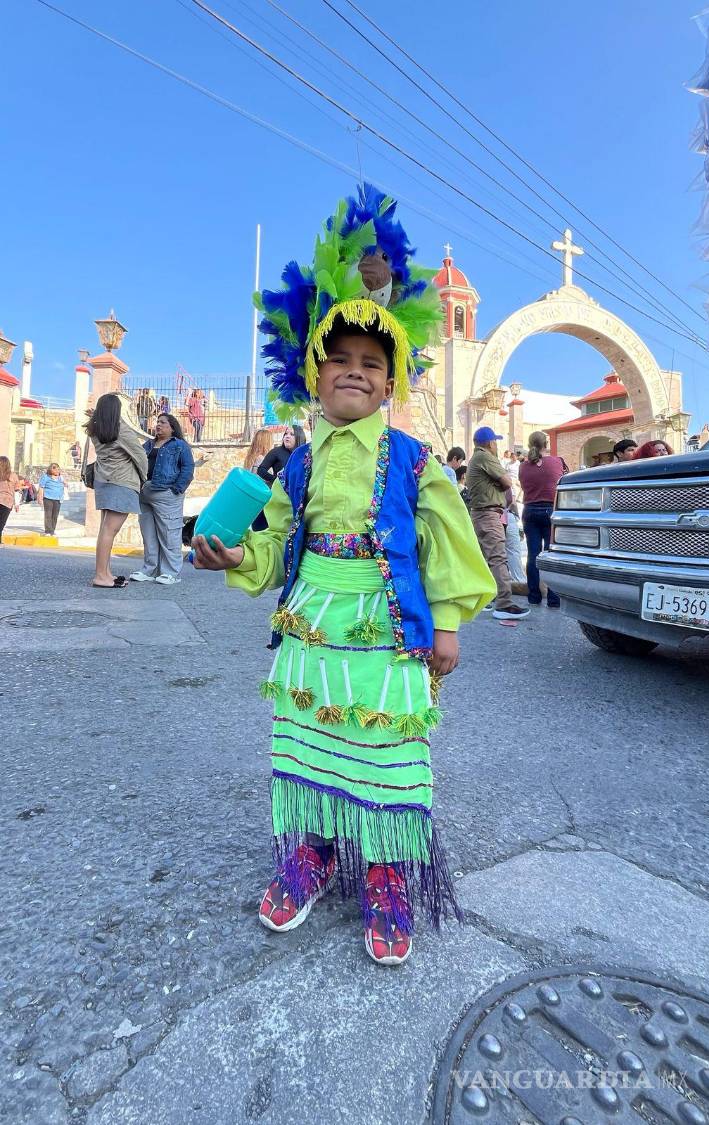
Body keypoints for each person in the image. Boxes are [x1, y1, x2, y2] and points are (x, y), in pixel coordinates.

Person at [191, 183, 495, 965]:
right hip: (312, 627)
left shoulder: (414, 459)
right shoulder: (296, 466)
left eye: (372, 363)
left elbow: (447, 540)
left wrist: (449, 624)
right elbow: (275, 545)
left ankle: (389, 868)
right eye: (341, 361)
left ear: (390, 384)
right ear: (314, 377)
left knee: (390, 755)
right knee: (313, 739)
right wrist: (236, 555)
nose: (355, 372)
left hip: (385, 634)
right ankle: (318, 850)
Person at [465, 426, 530, 620]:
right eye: (495, 442)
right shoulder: (485, 457)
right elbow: (508, 482)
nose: (496, 445)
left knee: (485, 559)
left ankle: (485, 599)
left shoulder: (476, 458)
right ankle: (504, 604)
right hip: (488, 514)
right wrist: (501, 482)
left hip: (481, 514)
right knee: (498, 558)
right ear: (490, 443)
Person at [86, 393, 148, 589]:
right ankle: (101, 576)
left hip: (103, 482)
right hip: (121, 483)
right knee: (109, 532)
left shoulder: (95, 429)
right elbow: (140, 456)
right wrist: (143, 479)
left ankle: (105, 573)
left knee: (105, 531)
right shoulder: (120, 429)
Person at [130, 413, 194, 586]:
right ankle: (149, 570)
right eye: (157, 422)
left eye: (163, 422)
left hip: (167, 494)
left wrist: (177, 489)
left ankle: (171, 572)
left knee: (169, 533)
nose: (158, 425)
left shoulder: (180, 445)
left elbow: (188, 468)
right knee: (148, 534)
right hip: (145, 493)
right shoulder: (149, 444)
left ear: (172, 427)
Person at [518, 431, 566, 607]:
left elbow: (523, 485)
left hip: (529, 510)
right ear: (546, 443)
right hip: (551, 510)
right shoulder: (557, 461)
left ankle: (534, 596)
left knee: (533, 555)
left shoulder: (523, 466)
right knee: (551, 554)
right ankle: (553, 599)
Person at [254, 425, 308, 533]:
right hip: (278, 499)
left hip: (298, 500)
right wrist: (278, 481)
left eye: (291, 434)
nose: (287, 437)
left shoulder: (305, 454)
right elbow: (261, 470)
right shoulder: (277, 452)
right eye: (286, 434)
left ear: (299, 437)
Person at [36, 462, 67, 536]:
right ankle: (47, 531)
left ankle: (52, 530)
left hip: (58, 499)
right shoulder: (45, 477)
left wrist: (65, 482)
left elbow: (66, 484)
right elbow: (41, 487)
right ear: (51, 470)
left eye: (58, 469)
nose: (57, 470)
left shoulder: (60, 477)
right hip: (48, 498)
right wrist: (40, 498)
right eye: (55, 469)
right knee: (48, 515)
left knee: (55, 515)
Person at [0, 456, 20, 544]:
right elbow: (17, 491)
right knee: (1, 522)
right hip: (7, 502)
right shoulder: (13, 475)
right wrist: (17, 504)